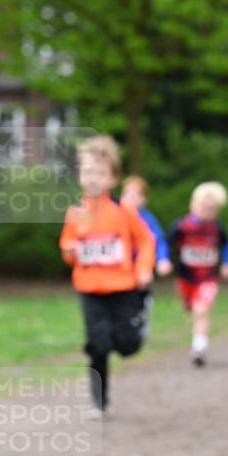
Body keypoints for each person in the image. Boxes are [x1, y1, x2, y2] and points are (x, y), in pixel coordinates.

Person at [59, 136, 154, 417]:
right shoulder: (75, 213)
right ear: (78, 176)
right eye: (87, 172)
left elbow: (146, 241)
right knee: (97, 346)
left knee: (127, 346)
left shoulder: (124, 211)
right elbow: (66, 248)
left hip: (123, 288)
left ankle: (138, 323)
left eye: (100, 173)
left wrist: (143, 270)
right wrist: (70, 250)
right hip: (90, 289)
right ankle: (98, 402)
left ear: (113, 178)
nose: (93, 179)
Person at [167, 182, 228, 367]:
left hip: (207, 278)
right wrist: (163, 260)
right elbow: (165, 244)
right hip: (186, 278)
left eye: (211, 208)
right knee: (192, 309)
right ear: (193, 204)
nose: (206, 211)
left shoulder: (217, 228)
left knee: (202, 310)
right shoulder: (182, 226)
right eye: (202, 206)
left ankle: (199, 348)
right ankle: (198, 337)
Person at [121, 175, 172, 340]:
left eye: (135, 196)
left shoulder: (147, 219)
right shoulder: (116, 217)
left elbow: (158, 241)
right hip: (122, 268)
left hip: (142, 267)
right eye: (127, 194)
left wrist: (162, 259)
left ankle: (143, 315)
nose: (130, 199)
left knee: (141, 296)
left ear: (144, 199)